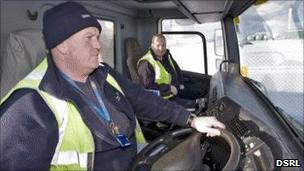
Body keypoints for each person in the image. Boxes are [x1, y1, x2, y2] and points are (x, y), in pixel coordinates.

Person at [0, 2, 225, 171]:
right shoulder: (29, 105)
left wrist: (192, 120)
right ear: (62, 46)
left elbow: (143, 99)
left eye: (98, 36)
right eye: (89, 38)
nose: (98, 45)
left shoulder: (102, 73)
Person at [137, 34, 204, 108]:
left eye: (163, 45)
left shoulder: (167, 56)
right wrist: (169, 88)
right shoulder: (146, 63)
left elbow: (177, 70)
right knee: (197, 105)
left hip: (175, 91)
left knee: (201, 91)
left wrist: (181, 84)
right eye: (158, 45)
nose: (161, 48)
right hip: (162, 99)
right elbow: (148, 88)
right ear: (152, 46)